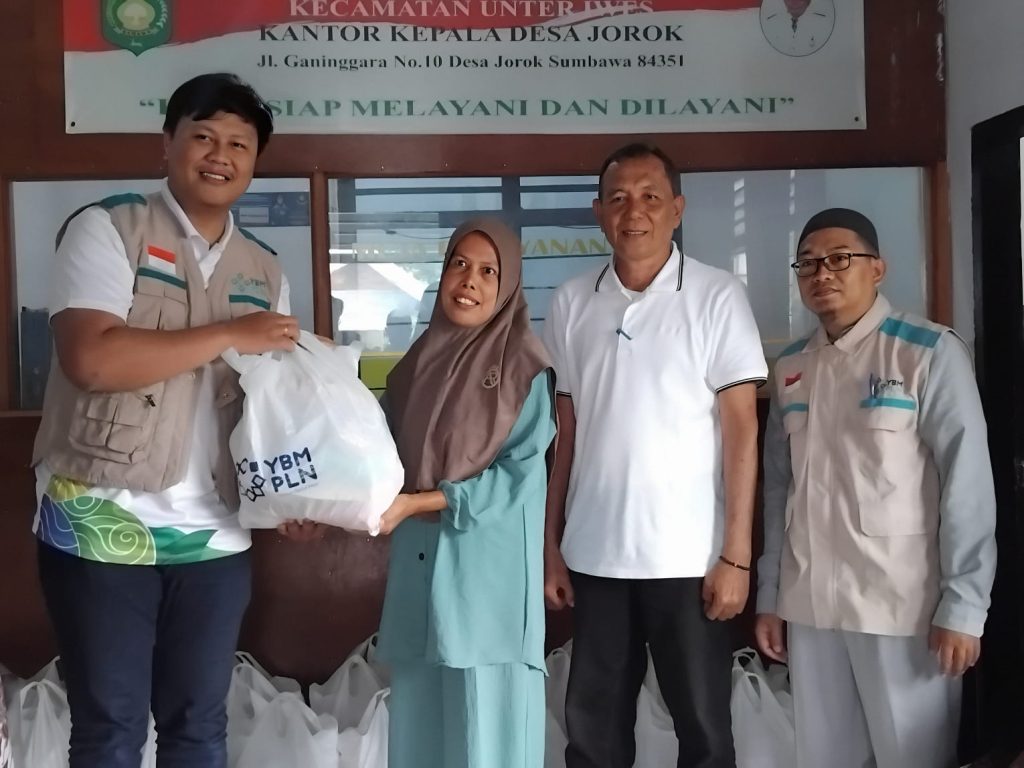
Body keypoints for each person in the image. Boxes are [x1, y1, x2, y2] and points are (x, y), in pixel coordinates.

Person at [32, 73, 298, 768]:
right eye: (203, 136)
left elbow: (274, 406)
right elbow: (92, 359)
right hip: (100, 520)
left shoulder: (265, 269)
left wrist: (296, 495)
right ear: (167, 144)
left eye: (239, 143)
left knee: (199, 730)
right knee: (109, 731)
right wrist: (228, 332)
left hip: (216, 534)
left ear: (254, 161)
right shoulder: (107, 228)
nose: (220, 155)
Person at [543, 142, 767, 768]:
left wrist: (736, 556)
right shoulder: (571, 301)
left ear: (677, 209)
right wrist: (550, 544)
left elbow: (742, 430)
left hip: (690, 560)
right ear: (598, 212)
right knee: (594, 736)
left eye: (649, 197)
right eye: (617, 198)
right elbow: (564, 433)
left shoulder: (717, 295)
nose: (633, 211)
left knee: (703, 732)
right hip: (594, 556)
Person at [754, 208, 998, 768]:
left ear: (878, 268)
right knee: (823, 758)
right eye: (808, 263)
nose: (823, 273)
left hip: (902, 607)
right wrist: (770, 597)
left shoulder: (926, 351)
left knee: (912, 757)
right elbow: (778, 492)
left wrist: (964, 606)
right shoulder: (791, 366)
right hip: (812, 605)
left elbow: (967, 485)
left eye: (840, 259)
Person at [374, 218, 555, 768]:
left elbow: (518, 476)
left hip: (488, 587)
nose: (469, 281)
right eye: (459, 264)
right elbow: (377, 459)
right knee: (421, 738)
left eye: (488, 271)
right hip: (419, 577)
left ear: (508, 285)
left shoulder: (524, 369)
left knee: (489, 741)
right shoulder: (412, 369)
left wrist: (423, 502)